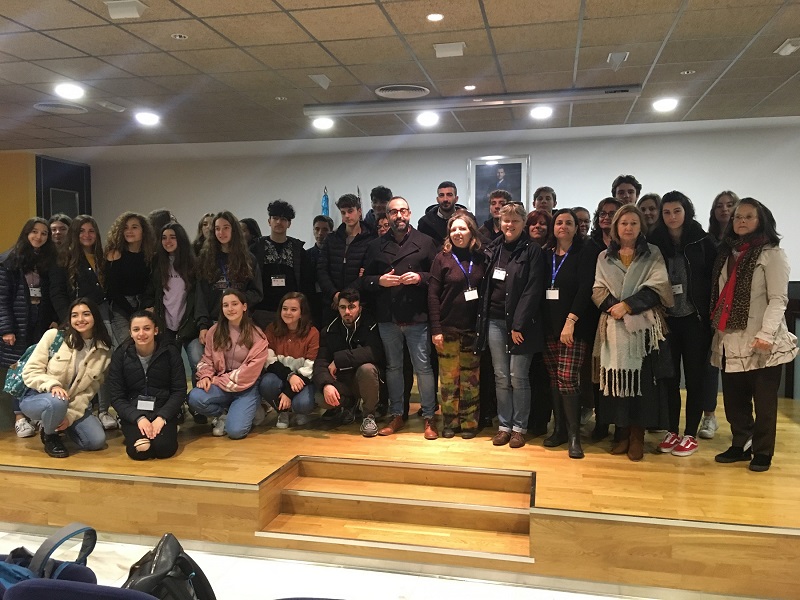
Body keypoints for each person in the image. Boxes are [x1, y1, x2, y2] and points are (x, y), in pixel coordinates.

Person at [710, 198, 797, 472]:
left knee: (764, 402)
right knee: (734, 400)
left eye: (748, 216)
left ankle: (762, 451)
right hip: (730, 338)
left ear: (762, 221)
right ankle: (741, 443)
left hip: (761, 339)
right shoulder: (726, 253)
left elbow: (778, 299)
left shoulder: (772, 254)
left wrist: (766, 334)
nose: (741, 221)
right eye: (738, 217)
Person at [592, 205, 673, 462]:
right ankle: (623, 434)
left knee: (642, 386)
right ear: (616, 227)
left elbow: (658, 287)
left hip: (643, 330)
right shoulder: (604, 256)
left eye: (634, 223)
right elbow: (598, 290)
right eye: (624, 223)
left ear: (641, 227)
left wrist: (628, 305)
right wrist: (613, 308)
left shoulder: (652, 253)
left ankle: (638, 436)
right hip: (613, 327)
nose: (628, 228)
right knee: (618, 383)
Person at [362, 196, 439, 439]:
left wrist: (419, 278)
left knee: (423, 368)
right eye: (394, 212)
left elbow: (437, 277)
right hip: (388, 318)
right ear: (387, 216)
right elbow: (364, 280)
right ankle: (397, 414)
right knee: (394, 368)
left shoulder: (425, 242)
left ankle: (429, 416)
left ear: (409, 213)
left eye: (403, 211)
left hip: (417, 317)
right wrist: (379, 281)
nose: (399, 216)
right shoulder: (376, 245)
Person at [647, 191, 717, 457]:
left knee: (695, 378)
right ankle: (672, 430)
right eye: (666, 212)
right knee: (670, 378)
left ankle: (690, 434)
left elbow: (713, 281)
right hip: (667, 320)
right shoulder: (655, 242)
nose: (672, 217)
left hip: (694, 320)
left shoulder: (702, 241)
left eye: (677, 211)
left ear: (686, 212)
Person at [476, 203, 544, 449]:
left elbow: (533, 290)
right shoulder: (494, 248)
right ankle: (504, 426)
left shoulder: (532, 250)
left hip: (520, 326)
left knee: (518, 377)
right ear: (500, 222)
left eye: (515, 220)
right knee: (501, 377)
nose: (510, 225)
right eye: (506, 220)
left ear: (523, 223)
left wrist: (518, 325)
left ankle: (518, 428)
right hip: (494, 321)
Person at [20, 298, 112, 458]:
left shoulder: (103, 351)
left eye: (86, 314)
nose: (80, 319)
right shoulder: (54, 337)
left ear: (95, 316)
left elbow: (89, 392)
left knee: (96, 441)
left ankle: (60, 425)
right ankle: (50, 435)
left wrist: (70, 417)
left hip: (71, 404)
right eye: (75, 315)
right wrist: (52, 385)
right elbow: (30, 371)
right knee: (57, 401)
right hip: (38, 398)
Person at [541, 209, 596, 459]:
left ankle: (575, 436)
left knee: (567, 377)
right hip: (549, 327)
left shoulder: (584, 252)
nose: (563, 226)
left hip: (573, 327)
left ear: (576, 228)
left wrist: (570, 321)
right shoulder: (546, 255)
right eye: (559, 222)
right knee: (555, 378)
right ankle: (560, 430)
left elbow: (585, 289)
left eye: (569, 223)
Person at [428, 211, 486, 439]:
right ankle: (450, 423)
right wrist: (436, 329)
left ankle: (470, 423)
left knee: (471, 381)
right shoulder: (441, 258)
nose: (457, 233)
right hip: (447, 330)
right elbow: (433, 295)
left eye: (462, 228)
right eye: (453, 229)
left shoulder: (481, 258)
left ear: (471, 231)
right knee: (449, 381)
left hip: (473, 330)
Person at [1, 218, 58, 438]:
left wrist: (53, 319)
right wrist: (6, 329)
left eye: (44, 233)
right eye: (34, 232)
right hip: (17, 324)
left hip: (40, 323)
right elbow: (2, 299)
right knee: (19, 369)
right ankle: (19, 418)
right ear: (26, 233)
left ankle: (34, 413)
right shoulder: (9, 261)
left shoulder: (47, 260)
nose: (39, 237)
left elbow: (51, 294)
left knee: (38, 367)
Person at [188, 289, 268, 439]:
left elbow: (249, 372)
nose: (230, 309)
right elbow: (207, 359)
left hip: (246, 387)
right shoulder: (214, 331)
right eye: (225, 305)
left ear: (244, 307)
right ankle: (224, 414)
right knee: (194, 397)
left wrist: (217, 380)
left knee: (235, 432)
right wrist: (206, 376)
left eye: (234, 304)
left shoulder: (257, 335)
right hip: (222, 385)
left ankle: (254, 409)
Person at [107, 311, 185, 460]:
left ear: (156, 330)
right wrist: (138, 418)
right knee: (141, 451)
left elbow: (179, 391)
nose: (141, 333)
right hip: (134, 412)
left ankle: (170, 428)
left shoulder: (170, 352)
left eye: (147, 328)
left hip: (162, 410)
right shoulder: (121, 355)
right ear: (130, 333)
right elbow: (116, 397)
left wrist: (162, 417)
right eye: (136, 329)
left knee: (164, 449)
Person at [313, 288, 384, 437]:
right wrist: (326, 385)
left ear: (359, 308)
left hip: (365, 380)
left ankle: (369, 416)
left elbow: (375, 352)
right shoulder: (329, 329)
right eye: (342, 307)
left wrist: (338, 360)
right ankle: (349, 405)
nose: (347, 312)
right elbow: (320, 362)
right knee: (321, 398)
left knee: (367, 369)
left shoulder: (371, 324)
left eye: (351, 307)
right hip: (342, 381)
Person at [195, 210, 263, 360]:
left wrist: (236, 302)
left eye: (226, 228)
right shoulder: (205, 259)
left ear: (234, 230)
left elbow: (257, 292)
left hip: (240, 324)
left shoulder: (248, 259)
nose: (221, 232)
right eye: (217, 229)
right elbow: (201, 295)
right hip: (214, 322)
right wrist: (203, 325)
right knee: (208, 362)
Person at [701, 190, 739, 438]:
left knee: (736, 371)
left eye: (730, 204)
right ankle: (709, 416)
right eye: (719, 205)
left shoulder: (747, 243)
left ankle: (741, 427)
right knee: (710, 366)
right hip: (711, 310)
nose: (725, 209)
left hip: (738, 313)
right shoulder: (707, 241)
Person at [259, 292, 319, 429]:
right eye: (284, 308)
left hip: (303, 380)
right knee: (267, 383)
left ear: (302, 313)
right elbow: (269, 361)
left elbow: (309, 368)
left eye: (293, 309)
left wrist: (288, 393)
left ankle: (299, 411)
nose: (288, 313)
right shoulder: (272, 329)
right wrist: (290, 376)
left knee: (302, 404)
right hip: (282, 376)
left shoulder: (312, 333)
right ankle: (282, 411)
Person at [251, 200, 313, 327]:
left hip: (291, 312)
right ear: (269, 221)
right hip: (263, 310)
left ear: (289, 223)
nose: (279, 222)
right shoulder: (256, 248)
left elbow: (306, 283)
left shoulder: (298, 251)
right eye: (275, 218)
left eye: (283, 219)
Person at [317, 194, 376, 325]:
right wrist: (334, 295)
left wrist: (343, 298)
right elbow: (321, 270)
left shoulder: (371, 240)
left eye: (350, 211)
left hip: (359, 303)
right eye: (343, 213)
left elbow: (366, 274)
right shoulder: (331, 238)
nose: (347, 216)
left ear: (359, 211)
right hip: (332, 302)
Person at [104, 212, 155, 346]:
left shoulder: (150, 255)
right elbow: (113, 291)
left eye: (134, 227)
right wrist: (133, 314)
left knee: (146, 344)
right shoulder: (114, 254)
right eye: (125, 228)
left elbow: (151, 285)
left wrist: (146, 307)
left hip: (144, 303)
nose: (129, 231)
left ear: (143, 231)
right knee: (128, 346)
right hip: (121, 306)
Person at [49, 215, 106, 324]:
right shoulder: (63, 258)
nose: (87, 235)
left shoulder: (102, 258)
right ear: (74, 233)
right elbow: (58, 293)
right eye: (81, 231)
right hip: (77, 318)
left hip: (103, 314)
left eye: (91, 231)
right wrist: (68, 319)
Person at [306, 215, 334, 329]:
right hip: (311, 302)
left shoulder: (336, 255)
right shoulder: (306, 255)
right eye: (317, 229)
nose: (320, 233)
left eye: (325, 230)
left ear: (331, 231)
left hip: (331, 301)